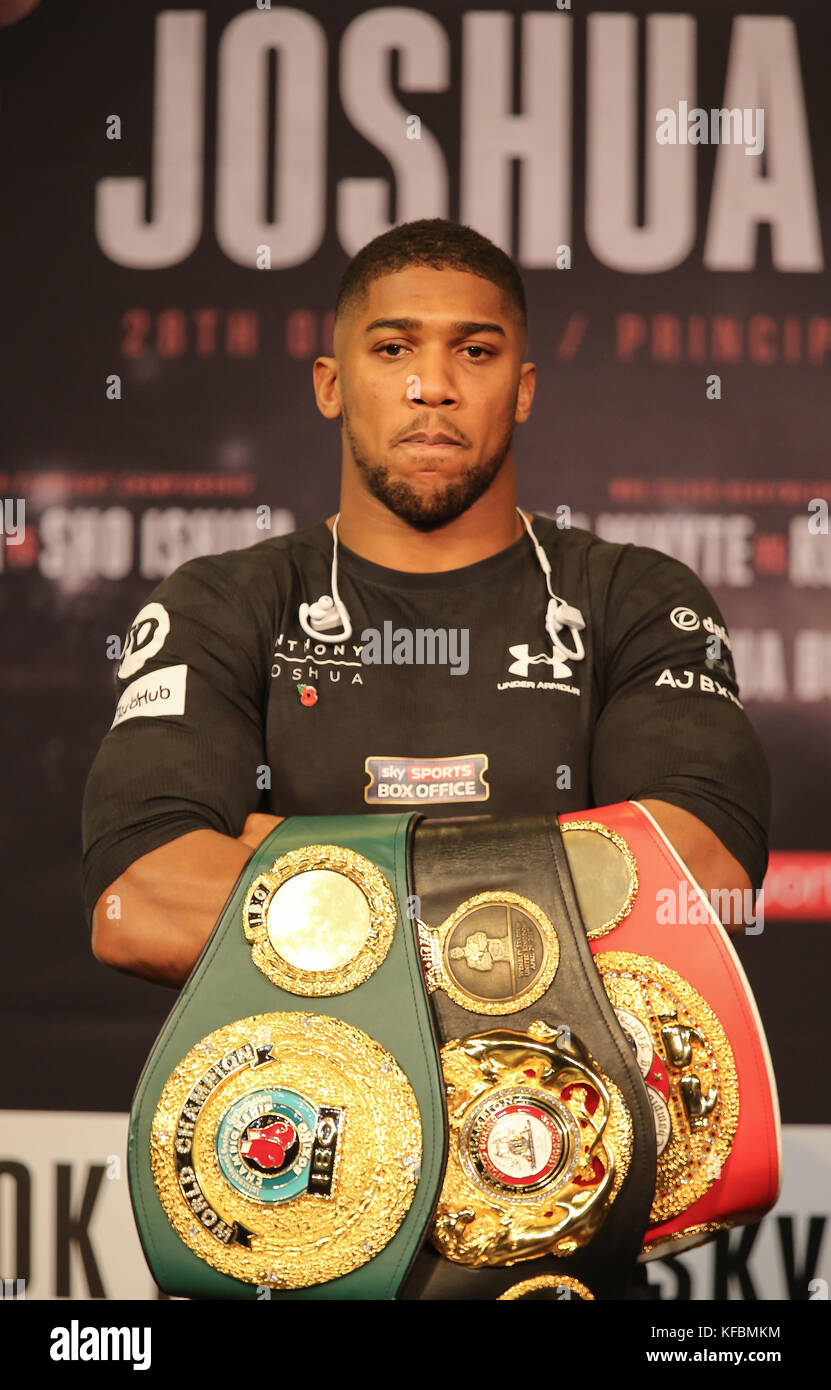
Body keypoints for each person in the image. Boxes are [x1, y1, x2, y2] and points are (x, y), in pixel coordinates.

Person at [82, 217, 770, 1004]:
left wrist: (295, 859)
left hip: (570, 1112)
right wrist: (541, 879)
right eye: (392, 349)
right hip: (302, 1112)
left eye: (474, 351)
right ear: (330, 384)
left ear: (522, 389)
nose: (431, 385)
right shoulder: (222, 604)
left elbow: (700, 883)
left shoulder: (637, 600)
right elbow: (139, 903)